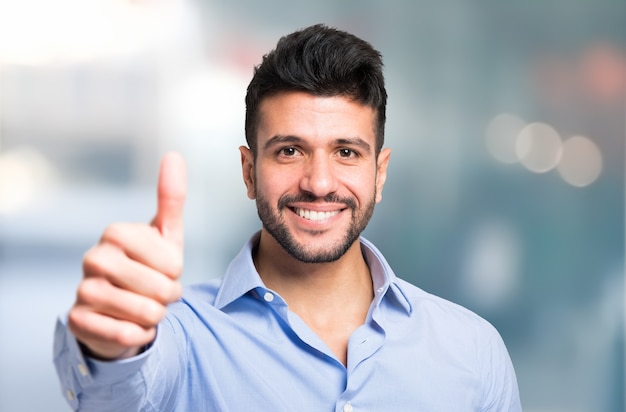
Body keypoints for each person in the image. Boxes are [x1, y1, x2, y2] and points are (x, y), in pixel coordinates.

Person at [53, 24, 522, 411]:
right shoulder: (179, 335)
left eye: (345, 152)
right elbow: (115, 396)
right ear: (249, 170)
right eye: (290, 150)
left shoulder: (473, 351)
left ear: (379, 174)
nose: (319, 182)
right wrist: (113, 345)